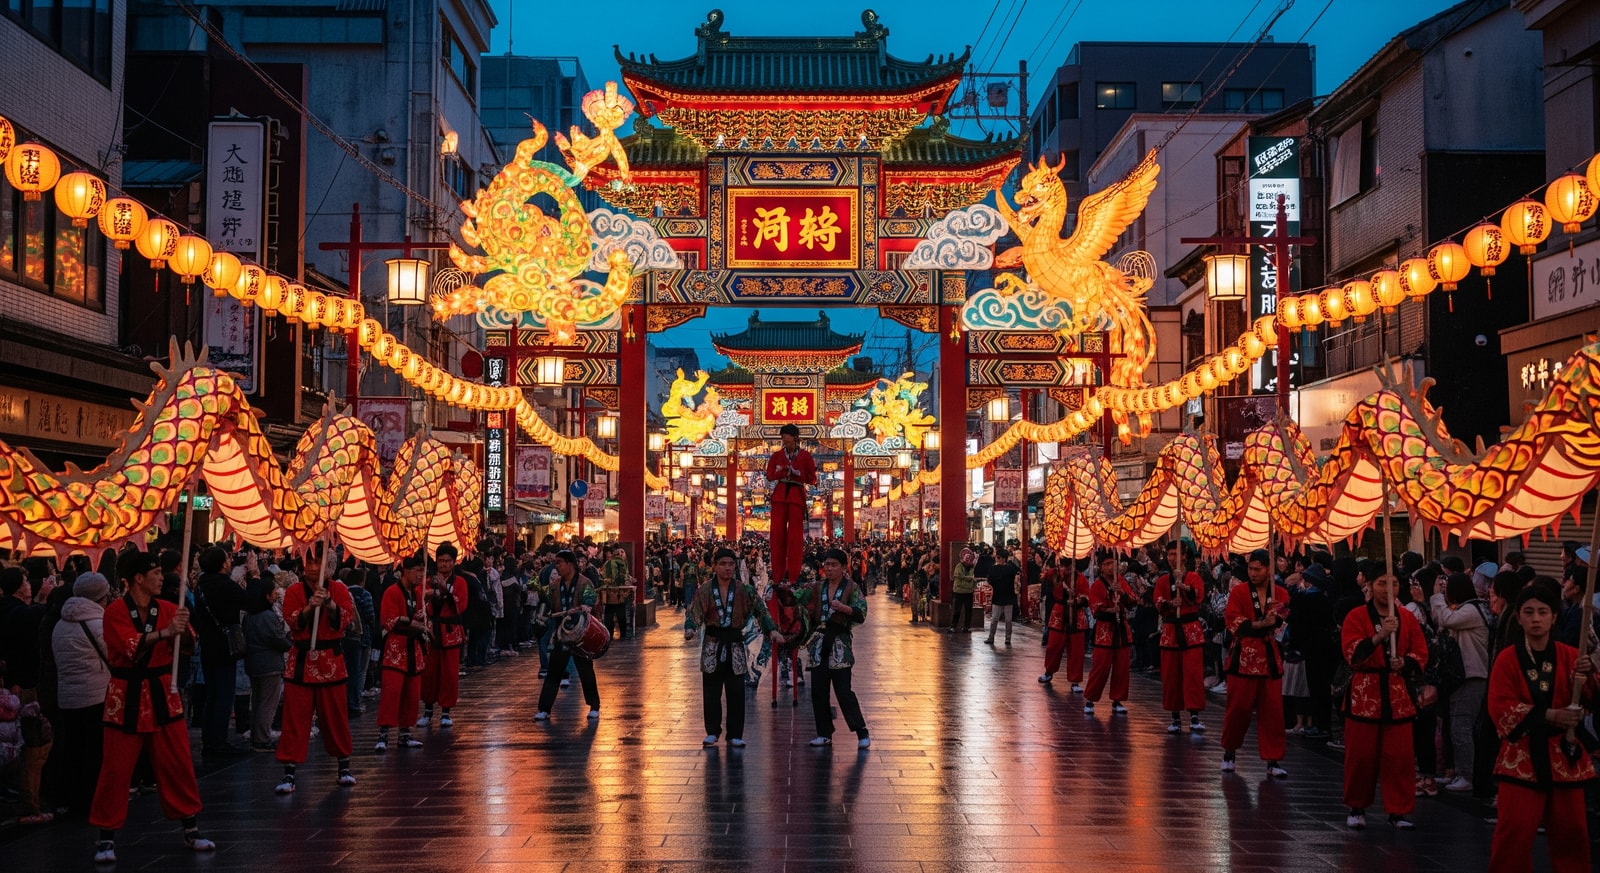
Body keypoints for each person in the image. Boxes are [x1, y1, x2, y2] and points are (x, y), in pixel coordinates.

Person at [89, 549, 215, 864]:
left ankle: (191, 828)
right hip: (126, 693)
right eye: (155, 573)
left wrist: (185, 631)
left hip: (162, 691)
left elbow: (186, 647)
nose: (162, 577)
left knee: (177, 761)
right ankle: (106, 837)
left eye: (161, 572)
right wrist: (165, 633)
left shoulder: (172, 608)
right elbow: (129, 645)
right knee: (116, 768)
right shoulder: (115, 612)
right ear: (138, 579)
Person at [1486, 584, 1597, 873]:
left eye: (1543, 612)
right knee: (1514, 832)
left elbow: (1593, 700)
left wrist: (1588, 678)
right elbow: (1500, 707)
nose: (1536, 618)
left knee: (1572, 835)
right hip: (1521, 756)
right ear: (1519, 618)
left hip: (1564, 754)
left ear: (1554, 617)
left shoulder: (1573, 657)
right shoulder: (1507, 659)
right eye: (1529, 612)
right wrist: (1550, 715)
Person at [1340, 573, 1428, 830]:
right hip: (1365, 695)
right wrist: (1380, 636)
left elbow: (1420, 652)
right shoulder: (1356, 616)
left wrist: (1406, 662)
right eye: (1381, 583)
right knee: (1361, 756)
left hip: (1396, 693)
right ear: (1369, 586)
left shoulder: (1408, 618)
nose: (1387, 589)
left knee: (1399, 757)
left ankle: (1399, 810)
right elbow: (1352, 654)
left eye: (1394, 583)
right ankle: (1357, 806)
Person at [274, 549, 356, 794]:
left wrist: (329, 603)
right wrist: (310, 607)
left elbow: (345, 620)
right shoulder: (293, 592)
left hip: (330, 662)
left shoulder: (340, 591)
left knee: (335, 718)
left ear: (328, 566)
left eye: (318, 561)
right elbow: (292, 620)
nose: (312, 566)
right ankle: (289, 773)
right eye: (309, 561)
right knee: (295, 719)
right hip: (301, 662)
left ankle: (344, 767)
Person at [686, 549, 782, 747]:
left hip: (735, 641)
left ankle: (735, 734)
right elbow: (694, 611)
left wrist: (771, 630)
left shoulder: (744, 589)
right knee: (711, 690)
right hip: (713, 641)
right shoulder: (704, 590)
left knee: (736, 690)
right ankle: (712, 731)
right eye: (723, 564)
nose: (728, 568)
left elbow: (760, 610)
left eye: (731, 564)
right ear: (714, 566)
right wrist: (690, 628)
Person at [1221, 549, 1290, 777]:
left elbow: (1283, 620)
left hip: (1269, 657)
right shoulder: (1239, 592)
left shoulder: (1280, 592)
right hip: (1243, 656)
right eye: (1251, 568)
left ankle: (1273, 759)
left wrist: (1276, 619)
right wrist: (1260, 624)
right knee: (1238, 707)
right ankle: (1230, 750)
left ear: (1268, 569)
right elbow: (1232, 620)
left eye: (1258, 569)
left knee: (1272, 711)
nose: (1253, 573)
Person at [49, 572, 112, 817]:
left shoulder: (60, 624)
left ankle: (72, 798)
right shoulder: (98, 624)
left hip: (67, 695)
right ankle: (91, 799)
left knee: (73, 747)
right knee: (94, 749)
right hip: (96, 694)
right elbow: (113, 655)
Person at [795, 548, 869, 748]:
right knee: (818, 691)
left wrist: (845, 608)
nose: (829, 568)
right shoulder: (817, 587)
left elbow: (861, 612)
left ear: (844, 567)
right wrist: (784, 589)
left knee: (844, 691)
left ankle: (861, 731)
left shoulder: (852, 588)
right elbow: (797, 598)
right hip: (819, 644)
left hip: (840, 643)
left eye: (834, 564)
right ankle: (824, 733)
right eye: (827, 564)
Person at [191, 547, 251, 758]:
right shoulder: (225, 585)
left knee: (212, 695)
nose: (230, 561)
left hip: (208, 643)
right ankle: (219, 742)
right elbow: (249, 601)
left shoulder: (200, 586)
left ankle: (210, 741)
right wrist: (252, 577)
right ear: (222, 563)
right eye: (227, 558)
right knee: (224, 695)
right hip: (225, 645)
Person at [534, 550, 601, 721]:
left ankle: (594, 706)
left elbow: (591, 599)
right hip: (561, 634)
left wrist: (586, 605)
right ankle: (544, 709)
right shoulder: (555, 585)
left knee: (586, 672)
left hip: (580, 636)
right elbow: (547, 604)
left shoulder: (585, 583)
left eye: (560, 562)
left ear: (570, 564)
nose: (557, 566)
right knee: (554, 672)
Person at [376, 555, 430, 751]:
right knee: (392, 692)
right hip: (396, 649)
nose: (420, 575)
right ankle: (383, 734)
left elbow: (418, 618)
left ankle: (405, 733)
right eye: (417, 570)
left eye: (422, 571)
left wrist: (420, 618)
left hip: (413, 650)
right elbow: (389, 620)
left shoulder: (416, 594)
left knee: (411, 694)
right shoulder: (392, 592)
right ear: (406, 570)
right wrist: (413, 622)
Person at [1156, 541, 1207, 733]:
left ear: (1184, 556)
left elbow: (1198, 597)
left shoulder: (1194, 577)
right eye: (1169, 554)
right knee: (1171, 676)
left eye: (1176, 554)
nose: (1172, 558)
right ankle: (1175, 717)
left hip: (1190, 631)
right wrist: (1169, 602)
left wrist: (1184, 587)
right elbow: (1158, 602)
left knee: (1193, 675)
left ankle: (1194, 716)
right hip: (1171, 631)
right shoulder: (1162, 580)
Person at [418, 544, 468, 728]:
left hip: (450, 630)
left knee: (449, 673)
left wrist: (444, 591)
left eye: (448, 561)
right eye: (441, 560)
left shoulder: (461, 582)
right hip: (431, 631)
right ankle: (428, 710)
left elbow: (460, 605)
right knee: (429, 672)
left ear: (454, 563)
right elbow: (420, 601)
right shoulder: (426, 580)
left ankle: (446, 711)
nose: (444, 564)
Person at [1084, 553, 1135, 715]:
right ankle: (1091, 699)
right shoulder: (1097, 586)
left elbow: (1132, 602)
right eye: (1107, 564)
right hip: (1104, 631)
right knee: (1100, 667)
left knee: (1121, 668)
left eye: (1113, 563)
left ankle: (1117, 700)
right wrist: (1109, 603)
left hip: (1121, 630)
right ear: (1101, 566)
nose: (1111, 567)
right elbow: (1096, 610)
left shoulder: (1121, 581)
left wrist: (1123, 594)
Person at [765, 424, 817, 585]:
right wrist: (782, 471)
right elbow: (769, 476)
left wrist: (798, 474)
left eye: (785, 436)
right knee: (777, 536)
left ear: (794, 437)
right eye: (782, 437)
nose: (783, 439)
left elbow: (812, 479)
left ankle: (794, 576)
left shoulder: (806, 456)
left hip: (796, 495)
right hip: (780, 495)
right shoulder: (776, 455)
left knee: (795, 538)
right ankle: (777, 576)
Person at [241, 576, 289, 752]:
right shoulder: (268, 616)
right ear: (267, 595)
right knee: (268, 702)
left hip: (253, 662)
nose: (276, 593)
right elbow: (278, 639)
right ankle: (262, 738)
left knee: (258, 700)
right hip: (269, 664)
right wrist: (288, 642)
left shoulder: (249, 617)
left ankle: (256, 735)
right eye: (274, 591)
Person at [1041, 558, 1090, 691]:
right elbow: (1046, 576)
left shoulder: (1081, 579)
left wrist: (1077, 600)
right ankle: (1049, 671)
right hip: (1059, 611)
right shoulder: (1056, 574)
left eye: (1069, 566)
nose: (1067, 569)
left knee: (1076, 649)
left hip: (1076, 614)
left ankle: (1075, 680)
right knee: (1053, 645)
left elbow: (1087, 597)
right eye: (1064, 566)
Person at [343, 569, 376, 715]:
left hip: (345, 637)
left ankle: (348, 701)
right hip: (363, 636)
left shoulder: (343, 592)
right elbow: (370, 615)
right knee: (360, 671)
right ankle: (356, 701)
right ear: (362, 580)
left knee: (349, 671)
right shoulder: (365, 594)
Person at [985, 550, 1019, 646]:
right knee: (997, 619)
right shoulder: (1008, 569)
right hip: (1005, 596)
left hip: (1002, 596)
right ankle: (995, 637)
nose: (997, 559)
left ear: (1004, 558)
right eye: (997, 557)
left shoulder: (1002, 569)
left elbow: (990, 580)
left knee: (1005, 619)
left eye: (999, 557)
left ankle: (1002, 638)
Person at [951, 548, 977, 633]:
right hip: (959, 591)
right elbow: (960, 576)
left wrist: (969, 578)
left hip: (969, 592)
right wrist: (970, 578)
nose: (967, 559)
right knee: (957, 610)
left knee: (968, 610)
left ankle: (966, 627)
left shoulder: (971, 567)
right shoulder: (959, 566)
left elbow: (969, 577)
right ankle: (953, 626)